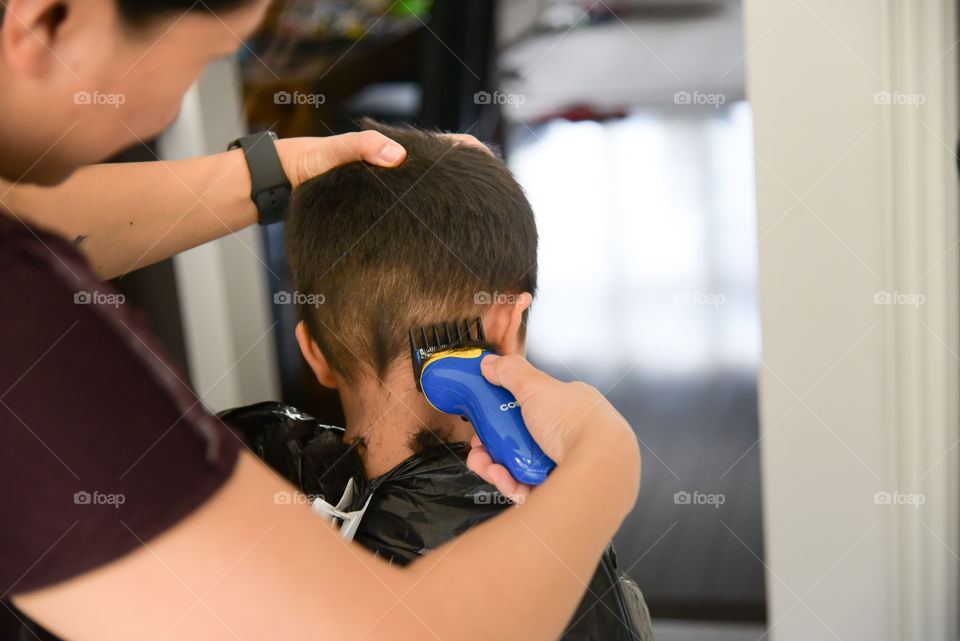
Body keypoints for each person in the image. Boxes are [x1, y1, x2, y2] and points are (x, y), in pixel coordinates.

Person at [0, 2, 642, 641]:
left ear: (316, 352)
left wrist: (271, 172)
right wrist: (605, 456)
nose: (168, 115)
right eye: (202, 58)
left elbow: (19, 218)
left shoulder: (252, 462)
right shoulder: (37, 340)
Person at [216, 120, 654, 641]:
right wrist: (606, 450)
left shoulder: (228, 487)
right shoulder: (555, 560)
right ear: (506, 328)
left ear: (315, 351)